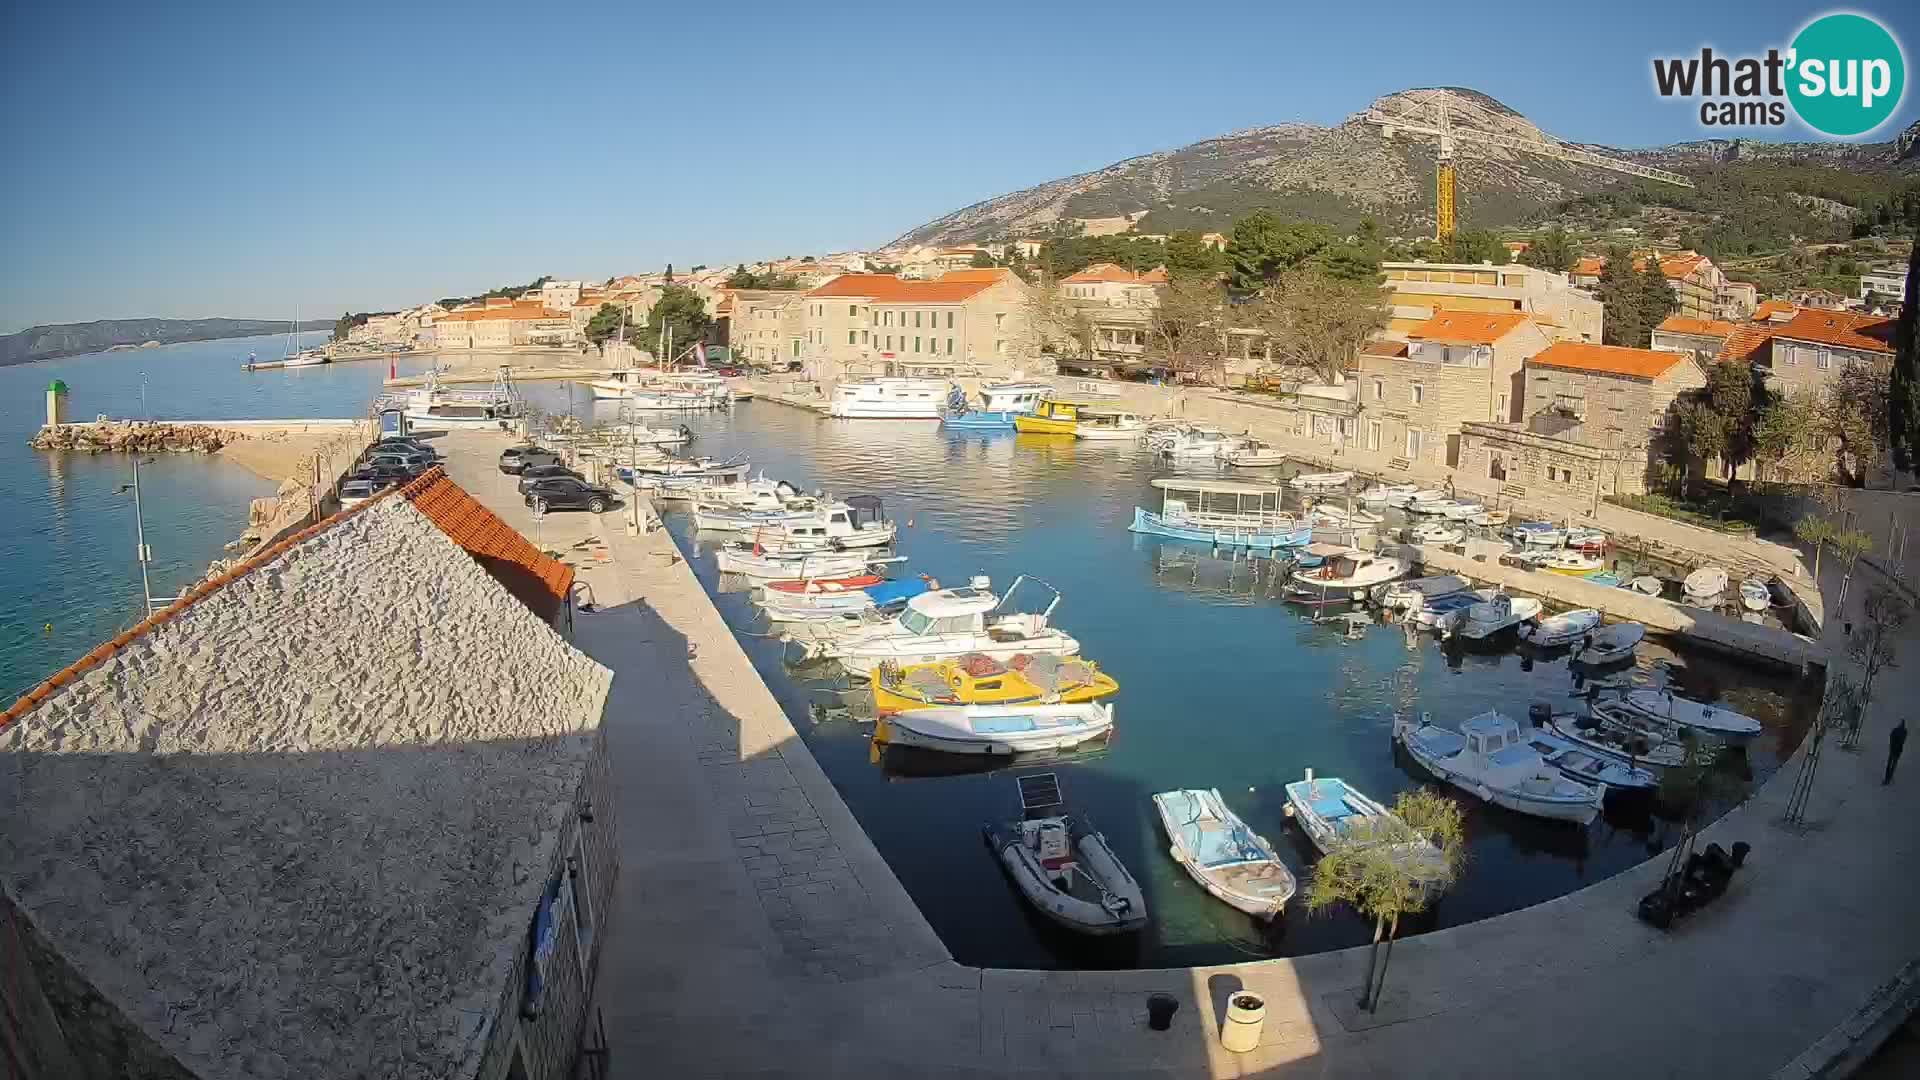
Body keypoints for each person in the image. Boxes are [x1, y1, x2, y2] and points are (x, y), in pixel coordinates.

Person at [1887, 718, 1907, 786]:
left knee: (1889, 763)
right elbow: (1903, 741)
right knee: (1893, 764)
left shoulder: (1896, 730)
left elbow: (1891, 736)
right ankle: (1890, 777)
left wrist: (1891, 744)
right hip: (1898, 750)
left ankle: (1887, 777)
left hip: (1893, 749)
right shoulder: (1905, 731)